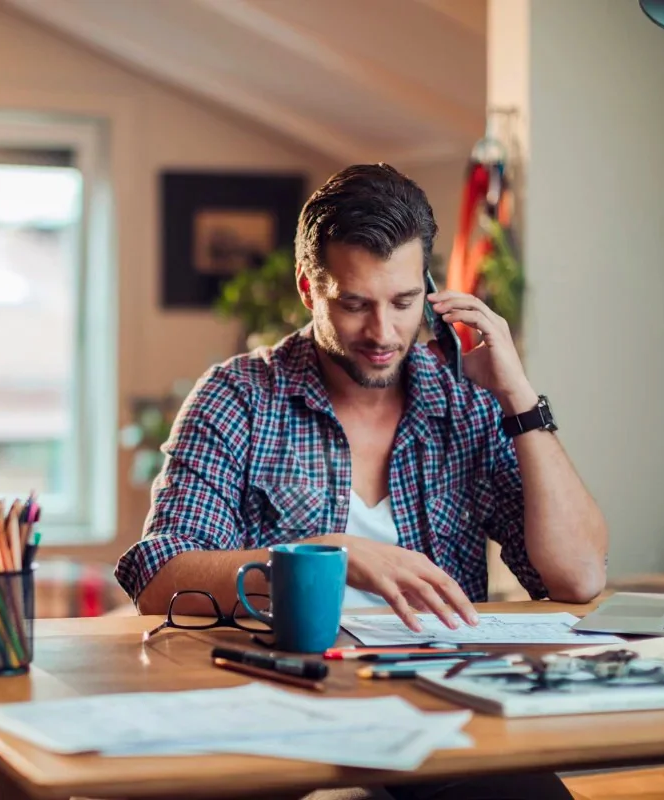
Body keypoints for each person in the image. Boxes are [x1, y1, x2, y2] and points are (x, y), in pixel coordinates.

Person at [115, 164, 608, 800]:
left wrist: (518, 396)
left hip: (440, 714)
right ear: (308, 289)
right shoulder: (238, 396)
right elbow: (161, 579)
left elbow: (578, 579)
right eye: (354, 304)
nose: (383, 333)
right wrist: (326, 557)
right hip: (280, 713)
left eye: (403, 302)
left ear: (429, 290)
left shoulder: (465, 402)